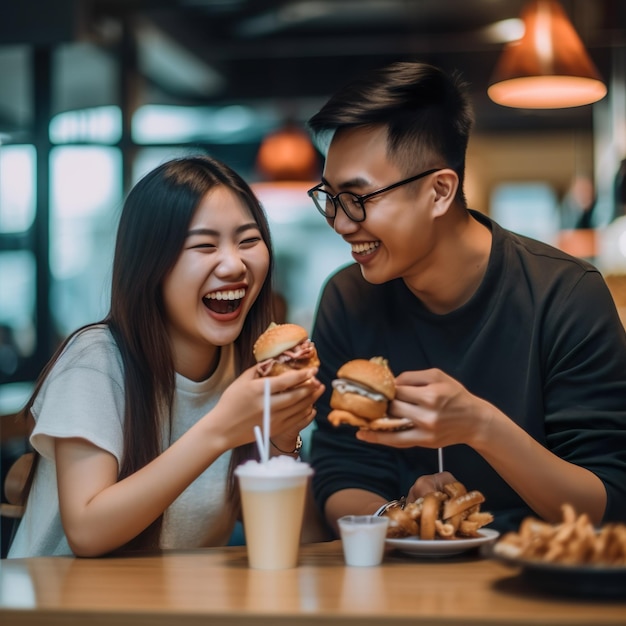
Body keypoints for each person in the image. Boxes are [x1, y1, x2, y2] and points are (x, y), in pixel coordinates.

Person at [305, 61, 626, 536]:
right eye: (329, 197)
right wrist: (396, 520)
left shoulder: (566, 295)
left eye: (357, 198)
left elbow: (609, 500)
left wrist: (481, 427)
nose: (340, 222)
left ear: (439, 192)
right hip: (397, 588)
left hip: (541, 581)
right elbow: (341, 472)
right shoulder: (348, 298)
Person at [7, 155, 324, 558]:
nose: (234, 264)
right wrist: (221, 430)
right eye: (204, 245)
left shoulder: (248, 367)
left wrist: (281, 441)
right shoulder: (97, 360)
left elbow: (306, 540)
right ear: (150, 264)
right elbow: (86, 531)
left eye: (248, 241)